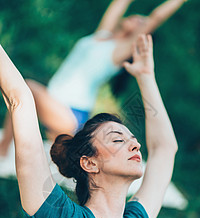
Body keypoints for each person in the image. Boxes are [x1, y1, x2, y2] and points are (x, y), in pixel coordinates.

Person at [0, 33, 178, 218]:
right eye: (118, 139)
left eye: (133, 139)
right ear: (89, 162)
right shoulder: (56, 217)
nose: (136, 145)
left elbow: (165, 150)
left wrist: (145, 76)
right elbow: (21, 98)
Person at [0, 0, 187, 157]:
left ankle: (3, 148)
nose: (136, 17)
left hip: (71, 115)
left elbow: (156, 17)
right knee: (23, 95)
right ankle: (8, 147)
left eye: (141, 21)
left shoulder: (119, 51)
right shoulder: (102, 36)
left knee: (26, 88)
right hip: (56, 104)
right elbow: (119, 3)